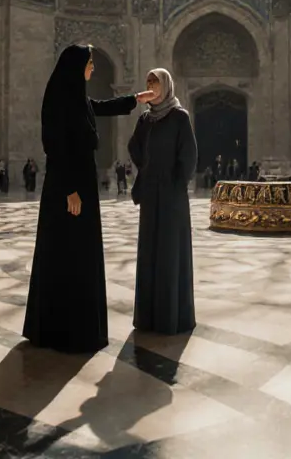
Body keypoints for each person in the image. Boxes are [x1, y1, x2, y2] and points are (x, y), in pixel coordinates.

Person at [23, 44, 153, 353]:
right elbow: (54, 146)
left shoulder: (77, 100)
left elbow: (102, 107)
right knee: (68, 252)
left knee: (79, 252)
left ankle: (77, 325)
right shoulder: (57, 101)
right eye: (90, 63)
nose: (93, 68)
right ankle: (62, 329)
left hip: (81, 185)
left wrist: (135, 99)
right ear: (76, 65)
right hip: (67, 189)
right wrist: (70, 189)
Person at [128, 68, 198, 334]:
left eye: (155, 82)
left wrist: (175, 184)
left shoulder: (179, 117)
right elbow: (134, 146)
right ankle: (148, 317)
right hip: (150, 193)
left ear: (166, 86)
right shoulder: (146, 120)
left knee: (170, 252)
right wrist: (146, 168)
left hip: (171, 196)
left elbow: (189, 156)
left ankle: (172, 318)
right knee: (150, 251)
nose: (151, 86)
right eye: (148, 82)